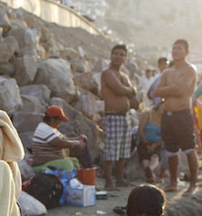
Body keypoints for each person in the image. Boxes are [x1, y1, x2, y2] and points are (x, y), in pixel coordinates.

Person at [153, 39, 199, 195]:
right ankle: (173, 182)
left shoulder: (189, 70)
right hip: (168, 115)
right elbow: (156, 92)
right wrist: (173, 87)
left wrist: (168, 89)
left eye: (179, 48)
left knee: (188, 149)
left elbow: (181, 91)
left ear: (186, 52)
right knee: (170, 150)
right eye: (173, 48)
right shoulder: (167, 72)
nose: (175, 51)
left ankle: (193, 184)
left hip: (182, 114)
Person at [100, 43, 137, 189]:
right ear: (111, 55)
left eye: (122, 54)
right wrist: (129, 89)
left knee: (123, 150)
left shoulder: (123, 75)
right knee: (111, 150)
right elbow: (120, 89)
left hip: (125, 116)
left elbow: (132, 94)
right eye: (116, 53)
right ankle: (109, 181)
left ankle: (120, 179)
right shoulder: (107, 73)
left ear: (125, 58)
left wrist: (128, 90)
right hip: (112, 116)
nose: (118, 57)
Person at [30, 105, 91, 173]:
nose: (60, 123)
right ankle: (67, 181)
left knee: (74, 161)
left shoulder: (51, 128)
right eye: (59, 120)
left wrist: (77, 139)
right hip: (44, 162)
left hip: (52, 159)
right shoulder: (44, 128)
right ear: (52, 119)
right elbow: (59, 143)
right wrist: (77, 143)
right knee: (67, 164)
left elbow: (64, 139)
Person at [137, 104, 164, 183]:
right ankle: (150, 173)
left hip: (157, 143)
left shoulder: (166, 119)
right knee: (144, 156)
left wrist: (154, 145)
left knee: (155, 155)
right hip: (144, 141)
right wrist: (146, 144)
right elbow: (140, 131)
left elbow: (165, 136)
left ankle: (150, 169)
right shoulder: (148, 114)